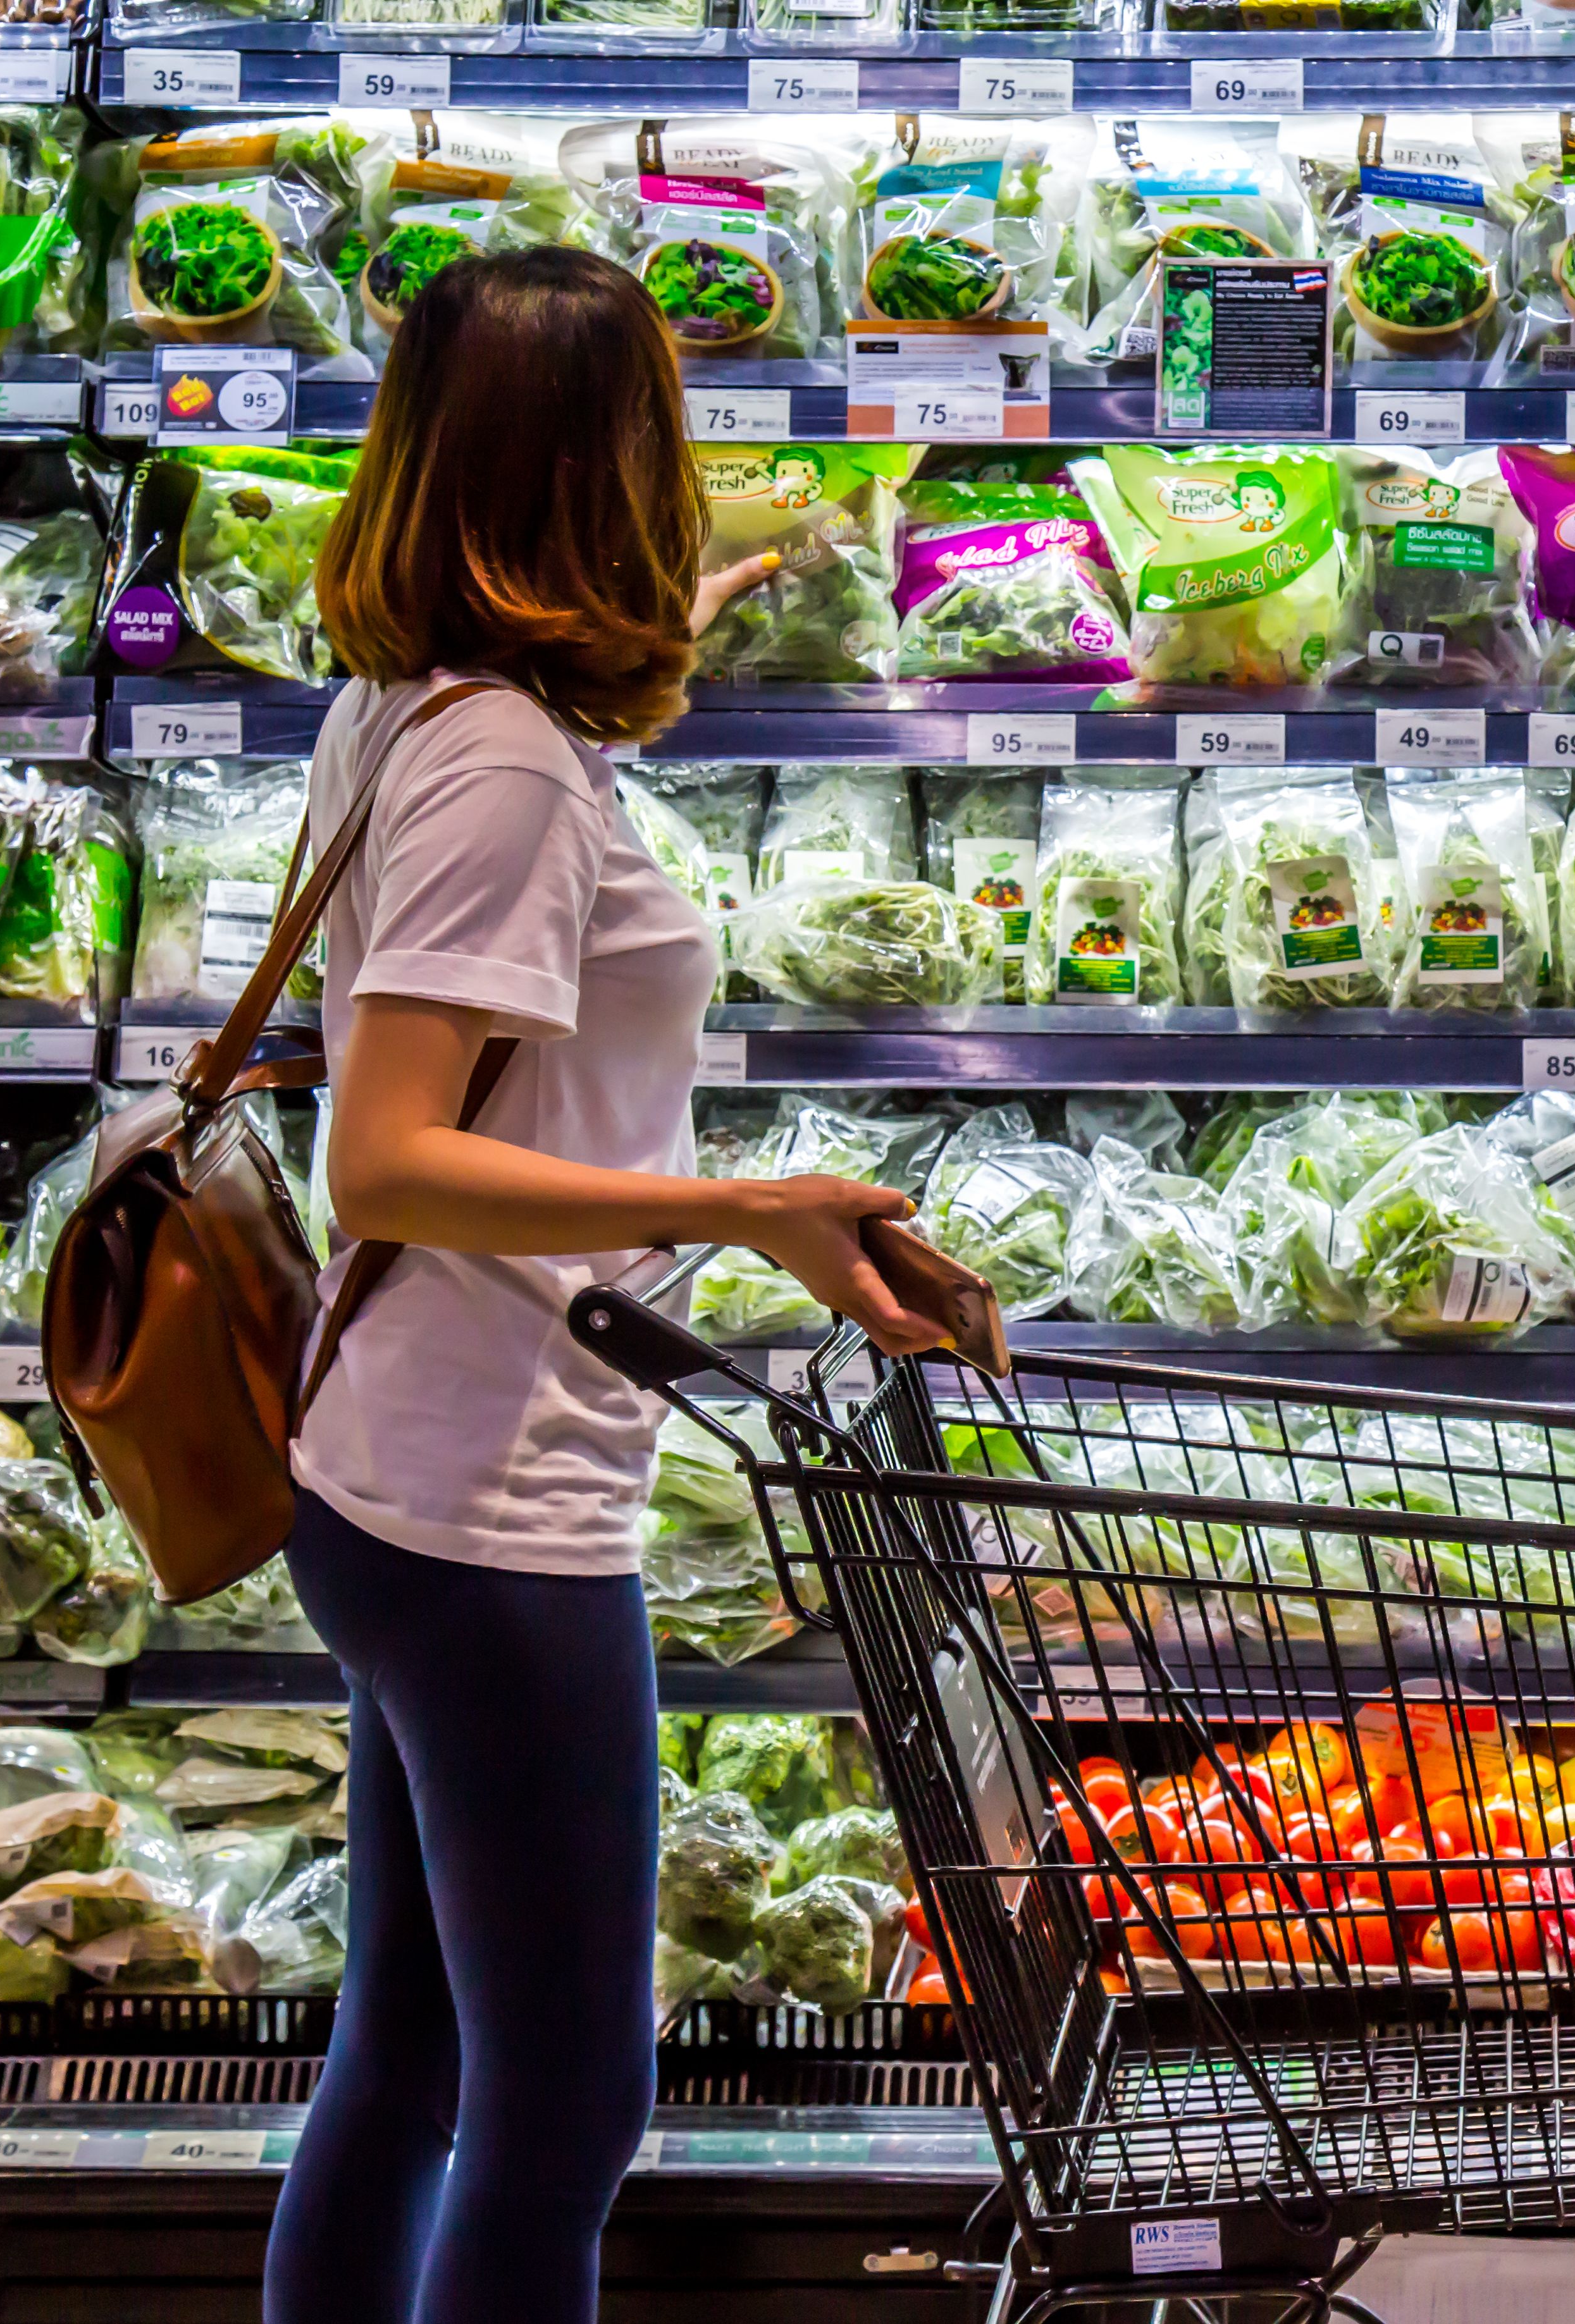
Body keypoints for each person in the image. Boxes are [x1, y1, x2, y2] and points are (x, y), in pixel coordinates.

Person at [266, 245, 948, 2324]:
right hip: (489, 1516)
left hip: (396, 1472)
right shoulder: (501, 773)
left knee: (405, 2058)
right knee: (562, 2117)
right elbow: (385, 1148)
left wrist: (734, 584)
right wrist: (735, 1211)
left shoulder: (432, 697)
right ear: (603, 473)